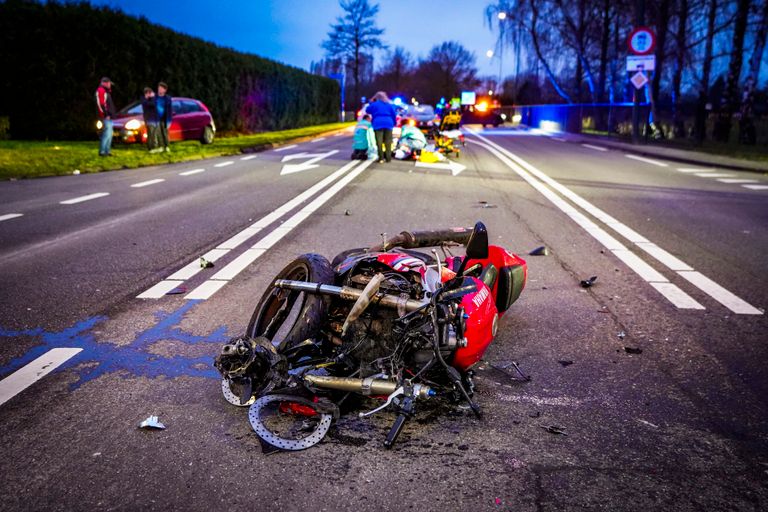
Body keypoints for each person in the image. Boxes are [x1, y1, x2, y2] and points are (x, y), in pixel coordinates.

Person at [366, 91, 397, 163]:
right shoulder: (389, 105)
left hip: (378, 123)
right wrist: (394, 123)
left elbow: (368, 110)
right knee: (388, 141)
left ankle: (381, 158)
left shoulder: (374, 104)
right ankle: (388, 158)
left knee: (379, 141)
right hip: (388, 122)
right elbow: (393, 114)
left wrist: (371, 102)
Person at [95, 77, 116, 156]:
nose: (110, 85)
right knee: (106, 134)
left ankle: (107, 151)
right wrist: (106, 115)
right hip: (105, 117)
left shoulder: (106, 92)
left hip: (109, 117)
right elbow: (101, 104)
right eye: (109, 83)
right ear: (104, 83)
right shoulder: (101, 90)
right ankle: (102, 151)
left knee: (109, 134)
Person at [141, 87, 161, 153]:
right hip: (150, 120)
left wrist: (152, 97)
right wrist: (152, 97)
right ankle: (151, 147)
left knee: (155, 134)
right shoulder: (144, 100)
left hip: (155, 119)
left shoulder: (152, 99)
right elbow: (152, 104)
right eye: (150, 93)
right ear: (147, 93)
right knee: (151, 134)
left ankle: (155, 146)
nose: (152, 95)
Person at [155, 81, 173, 152]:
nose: (159, 89)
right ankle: (161, 146)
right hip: (156, 118)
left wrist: (169, 121)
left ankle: (167, 146)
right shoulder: (155, 97)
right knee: (158, 133)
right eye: (159, 88)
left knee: (165, 133)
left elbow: (170, 110)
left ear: (165, 90)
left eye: (161, 88)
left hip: (164, 118)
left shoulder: (167, 98)